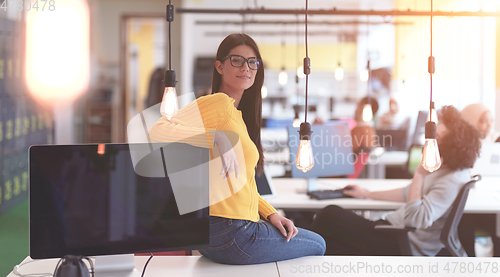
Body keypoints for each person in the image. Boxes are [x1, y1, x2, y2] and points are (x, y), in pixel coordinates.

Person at [148, 33, 325, 265]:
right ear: (219, 66)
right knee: (318, 244)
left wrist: (270, 213)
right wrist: (216, 138)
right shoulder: (216, 103)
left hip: (220, 234)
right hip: (232, 232)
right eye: (237, 60)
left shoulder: (236, 115)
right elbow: (156, 132)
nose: (246, 68)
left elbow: (243, 184)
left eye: (253, 62)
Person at [311, 105, 481, 256]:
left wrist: (420, 175)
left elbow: (415, 219)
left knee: (329, 215)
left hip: (400, 240)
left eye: (439, 137)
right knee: (331, 241)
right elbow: (405, 194)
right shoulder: (447, 170)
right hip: (393, 230)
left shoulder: (451, 180)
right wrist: (366, 194)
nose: (433, 140)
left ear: (454, 145)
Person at [459, 103, 500, 257]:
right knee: (464, 225)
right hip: (468, 206)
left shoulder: (494, 142)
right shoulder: (458, 147)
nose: (489, 125)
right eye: (483, 121)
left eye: (491, 120)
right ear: (470, 121)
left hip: (491, 202)